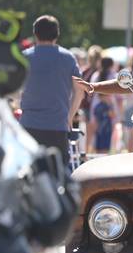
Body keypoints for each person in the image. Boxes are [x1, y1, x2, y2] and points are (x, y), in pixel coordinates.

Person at [19, 15, 86, 164]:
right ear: (57, 34)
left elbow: (14, 90)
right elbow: (79, 90)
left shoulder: (24, 58)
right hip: (57, 126)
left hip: (28, 125)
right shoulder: (68, 58)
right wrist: (69, 117)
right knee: (58, 172)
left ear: (35, 33)